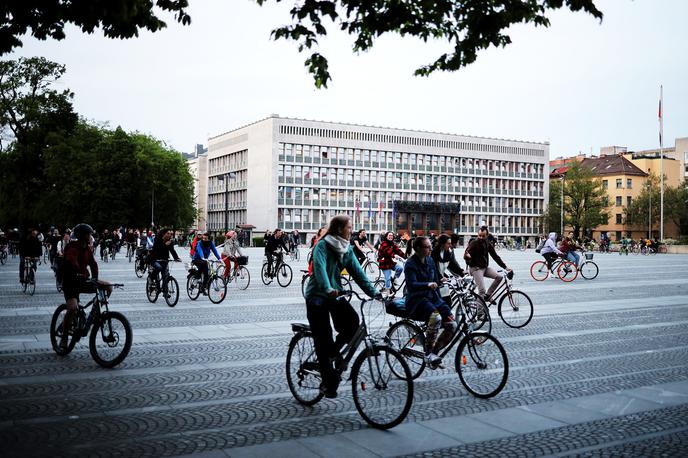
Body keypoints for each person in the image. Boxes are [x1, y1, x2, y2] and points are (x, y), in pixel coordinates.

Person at [305, 214, 380, 398]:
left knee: (353, 323)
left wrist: (374, 293)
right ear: (339, 229)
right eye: (349, 227)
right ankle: (328, 382)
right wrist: (327, 288)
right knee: (323, 336)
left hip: (335, 294)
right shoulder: (322, 245)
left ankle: (333, 354)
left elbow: (357, 272)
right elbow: (319, 269)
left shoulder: (346, 249)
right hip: (317, 295)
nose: (351, 230)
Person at [405, 236, 457, 367]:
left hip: (432, 298)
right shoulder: (410, 263)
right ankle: (428, 354)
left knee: (452, 324)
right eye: (427, 247)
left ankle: (435, 351)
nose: (430, 249)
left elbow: (436, 280)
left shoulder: (430, 260)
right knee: (436, 318)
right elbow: (411, 285)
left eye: (430, 246)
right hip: (417, 300)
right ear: (418, 248)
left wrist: (445, 282)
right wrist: (427, 284)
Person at [59, 224, 112, 353]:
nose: (91, 236)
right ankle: (64, 337)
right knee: (72, 307)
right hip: (70, 282)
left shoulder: (87, 249)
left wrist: (95, 279)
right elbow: (72, 261)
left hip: (83, 280)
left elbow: (93, 264)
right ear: (83, 236)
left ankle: (95, 315)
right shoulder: (72, 247)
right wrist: (77, 271)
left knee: (108, 287)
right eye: (89, 234)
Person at [464, 226, 511, 304]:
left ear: (487, 235)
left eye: (483, 236)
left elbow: (495, 256)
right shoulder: (474, 243)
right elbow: (466, 255)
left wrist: (505, 267)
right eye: (479, 235)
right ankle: (480, 314)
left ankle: (488, 295)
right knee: (482, 290)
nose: (481, 238)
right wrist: (467, 257)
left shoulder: (487, 243)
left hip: (484, 268)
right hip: (476, 268)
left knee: (499, 277)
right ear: (478, 235)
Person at [431, 234, 465, 305]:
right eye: (448, 243)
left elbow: (452, 265)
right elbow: (433, 268)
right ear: (442, 244)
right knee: (438, 302)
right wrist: (440, 277)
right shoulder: (434, 252)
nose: (450, 245)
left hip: (442, 280)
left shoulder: (447, 252)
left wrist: (462, 272)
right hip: (434, 280)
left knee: (447, 302)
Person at [150, 228, 181, 293]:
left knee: (165, 276)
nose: (169, 235)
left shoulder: (170, 241)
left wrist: (176, 258)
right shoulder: (157, 239)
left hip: (164, 260)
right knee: (158, 267)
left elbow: (172, 250)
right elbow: (157, 249)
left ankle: (165, 292)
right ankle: (151, 277)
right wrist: (165, 244)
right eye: (168, 233)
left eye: (170, 234)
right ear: (163, 234)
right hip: (155, 259)